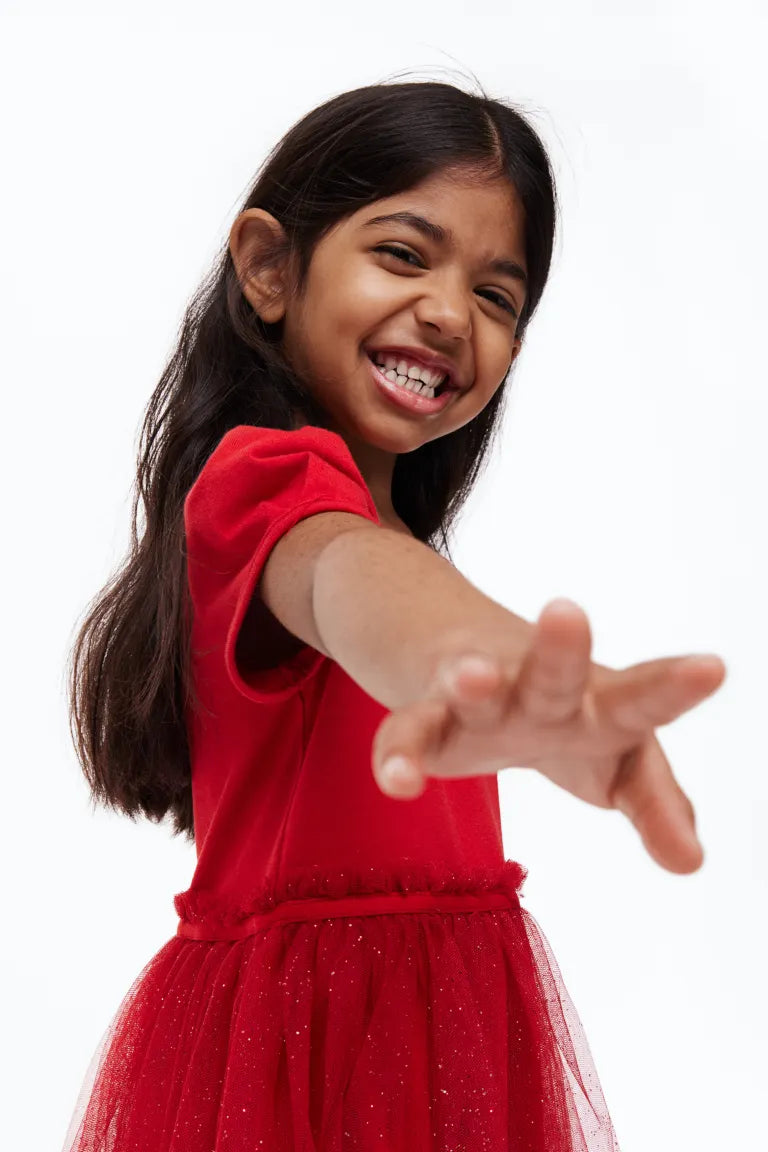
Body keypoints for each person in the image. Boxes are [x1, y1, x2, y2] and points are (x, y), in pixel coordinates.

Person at [60, 79, 725, 1151]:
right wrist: (484, 665)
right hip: (295, 1059)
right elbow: (348, 583)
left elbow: (387, 568)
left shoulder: (395, 534)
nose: (452, 314)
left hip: (448, 1039)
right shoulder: (261, 490)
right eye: (403, 255)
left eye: (499, 296)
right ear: (271, 268)